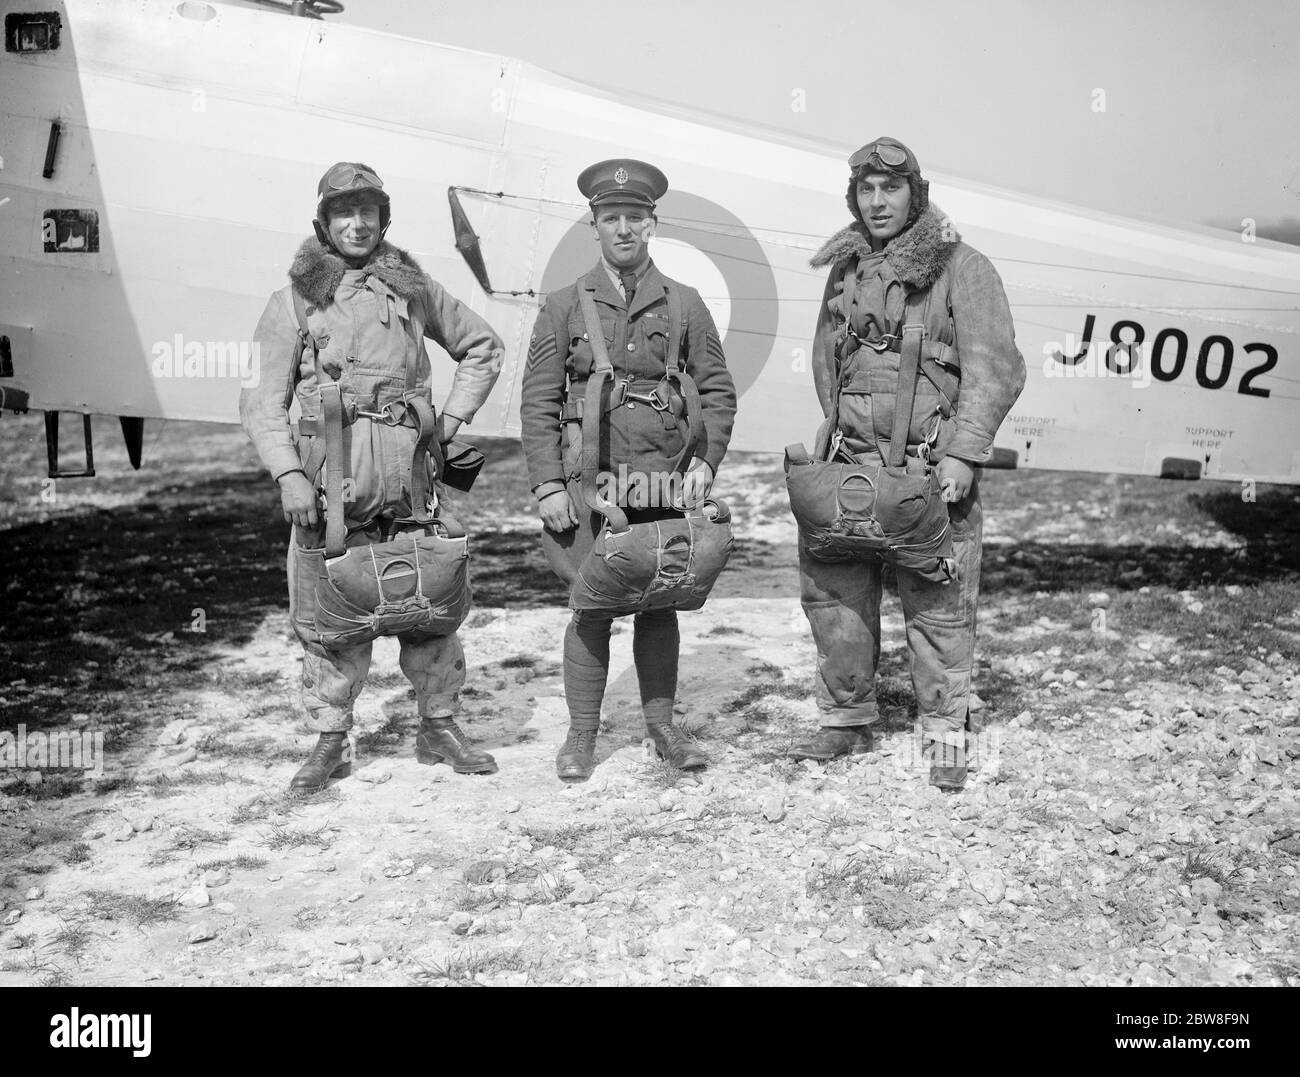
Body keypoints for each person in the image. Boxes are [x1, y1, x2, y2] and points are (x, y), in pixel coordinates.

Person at [241, 162, 504, 794]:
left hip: (409, 475)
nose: (357, 224)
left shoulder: (413, 291)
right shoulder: (292, 303)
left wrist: (447, 422)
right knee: (330, 612)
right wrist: (287, 475)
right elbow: (260, 401)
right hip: (331, 482)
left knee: (430, 601)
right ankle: (331, 739)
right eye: (343, 213)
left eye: (369, 212)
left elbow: (482, 347)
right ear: (323, 224)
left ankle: (438, 726)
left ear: (384, 220)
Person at [791, 137, 1025, 790]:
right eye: (865, 190)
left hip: (931, 475)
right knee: (836, 598)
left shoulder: (963, 267)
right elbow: (825, 362)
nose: (877, 202)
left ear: (914, 195)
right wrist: (840, 434)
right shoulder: (846, 271)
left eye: (890, 189)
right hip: (852, 468)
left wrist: (964, 453)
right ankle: (846, 717)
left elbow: (997, 368)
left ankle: (946, 731)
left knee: (940, 606)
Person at [521, 159, 737, 781]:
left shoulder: (687, 304)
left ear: (652, 224)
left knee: (659, 601)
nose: (623, 229)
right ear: (594, 226)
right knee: (590, 608)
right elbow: (537, 400)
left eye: (634, 219)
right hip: (590, 486)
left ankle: (662, 728)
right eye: (611, 218)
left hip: (663, 479)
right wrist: (547, 486)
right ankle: (582, 737)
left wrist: (705, 460)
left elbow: (718, 390)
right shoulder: (563, 305)